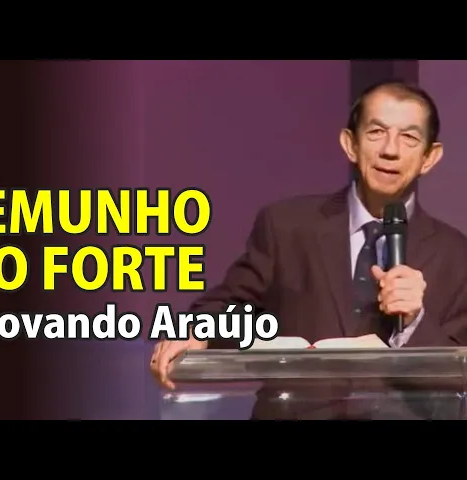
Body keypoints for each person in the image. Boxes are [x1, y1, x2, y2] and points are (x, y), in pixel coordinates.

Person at [151, 80, 467, 392]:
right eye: (376, 132)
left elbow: (459, 374)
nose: (390, 150)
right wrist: (195, 332)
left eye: (409, 137)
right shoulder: (287, 226)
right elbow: (229, 306)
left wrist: (414, 320)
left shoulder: (455, 255)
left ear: (430, 157)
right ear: (351, 144)